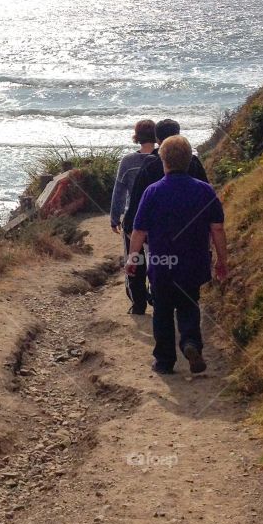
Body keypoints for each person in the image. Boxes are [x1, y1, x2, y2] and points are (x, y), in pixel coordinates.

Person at [125, 134, 228, 375]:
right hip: (194, 261)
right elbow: (217, 228)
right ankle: (191, 342)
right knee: (189, 303)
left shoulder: (152, 191)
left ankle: (164, 360)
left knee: (162, 309)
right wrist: (222, 260)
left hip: (162, 263)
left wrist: (133, 258)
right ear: (189, 161)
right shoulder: (204, 190)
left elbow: (139, 230)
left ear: (164, 161)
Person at [110, 118, 157, 314]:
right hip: (158, 220)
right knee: (158, 260)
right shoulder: (163, 159)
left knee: (134, 259)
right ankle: (156, 295)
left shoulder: (128, 161)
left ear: (137, 136)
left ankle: (138, 304)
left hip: (134, 219)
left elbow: (119, 192)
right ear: (156, 136)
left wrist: (114, 217)